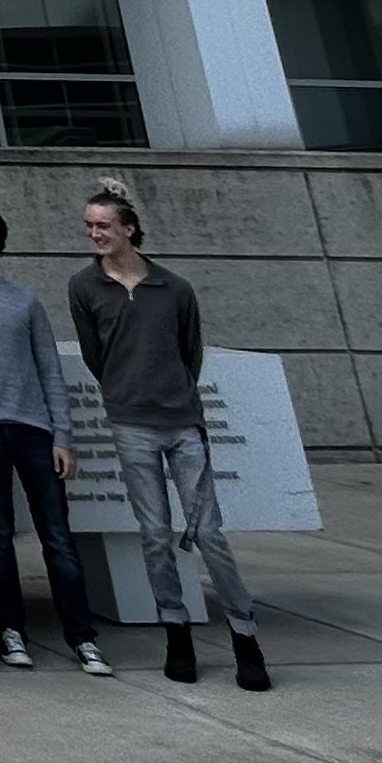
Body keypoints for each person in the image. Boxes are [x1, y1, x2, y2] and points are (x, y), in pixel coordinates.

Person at [70, 179, 269, 692]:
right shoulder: (83, 288)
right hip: (130, 424)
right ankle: (176, 632)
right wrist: (125, 393)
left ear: (129, 228)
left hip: (183, 423)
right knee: (154, 534)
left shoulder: (175, 288)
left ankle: (245, 638)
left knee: (209, 534)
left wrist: (173, 395)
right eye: (89, 226)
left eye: (103, 225)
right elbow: (96, 356)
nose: (95, 234)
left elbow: (190, 352)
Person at [0, 192, 110, 676]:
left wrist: (62, 436)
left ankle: (82, 637)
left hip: (35, 430)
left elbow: (49, 368)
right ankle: (10, 629)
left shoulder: (25, 300)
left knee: (57, 534)